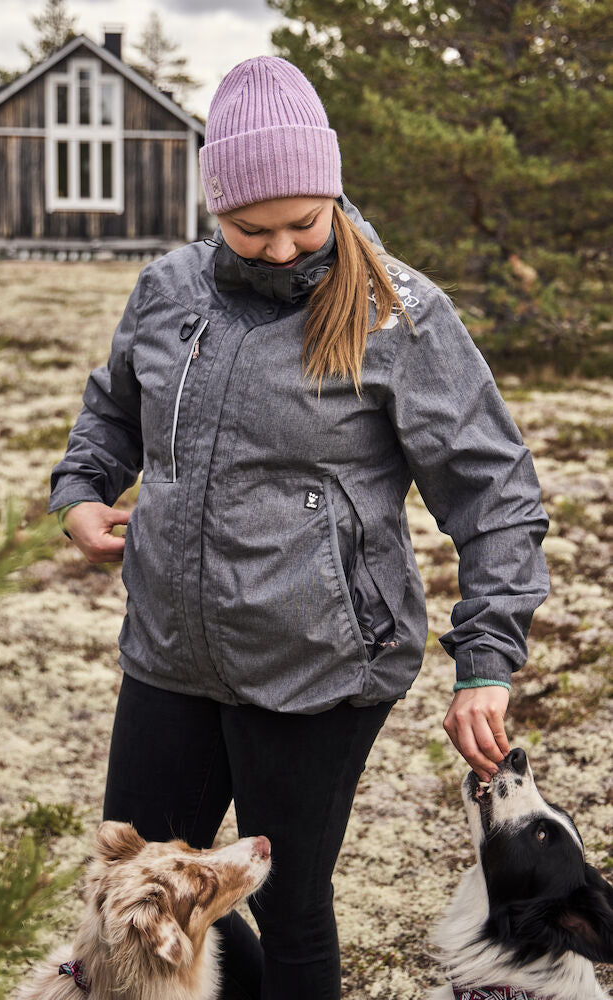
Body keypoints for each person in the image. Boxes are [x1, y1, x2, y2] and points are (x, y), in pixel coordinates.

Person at [49, 56, 549, 1000]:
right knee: (143, 886)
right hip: (169, 649)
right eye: (252, 229)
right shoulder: (167, 290)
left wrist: (485, 661)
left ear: (334, 193)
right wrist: (83, 489)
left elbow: (496, 494)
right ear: (215, 208)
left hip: (319, 666)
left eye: (305, 223)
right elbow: (112, 410)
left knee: (288, 906)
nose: (281, 249)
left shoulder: (399, 312)